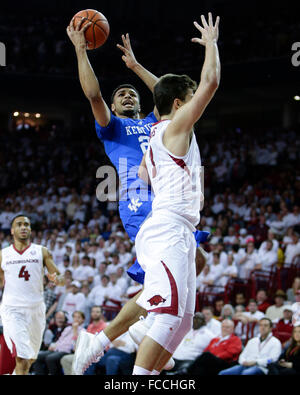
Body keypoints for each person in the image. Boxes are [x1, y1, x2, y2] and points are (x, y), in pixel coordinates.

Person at [70, 13, 215, 375]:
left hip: (165, 195)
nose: (126, 95)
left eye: (131, 92)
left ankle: (148, 326)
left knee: (198, 262)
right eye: (120, 95)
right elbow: (92, 93)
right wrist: (81, 51)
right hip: (140, 200)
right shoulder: (114, 127)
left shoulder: (156, 122)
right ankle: (116, 335)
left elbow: (168, 96)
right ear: (115, 108)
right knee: (166, 282)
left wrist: (136, 67)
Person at [0, 215, 64, 375]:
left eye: (27, 225)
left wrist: (56, 278)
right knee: (22, 357)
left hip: (36, 309)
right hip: (12, 310)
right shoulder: (3, 254)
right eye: (19, 224)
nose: (24, 227)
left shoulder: (41, 251)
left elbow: (61, 279)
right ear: (12, 230)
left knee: (31, 358)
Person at [31, 311, 85, 375]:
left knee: (50, 358)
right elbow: (60, 340)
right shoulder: (68, 328)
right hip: (57, 349)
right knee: (37, 356)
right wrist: (54, 345)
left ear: (83, 320)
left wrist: (75, 331)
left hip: (67, 351)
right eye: (75, 317)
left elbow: (75, 346)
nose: (76, 319)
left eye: (79, 317)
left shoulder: (83, 331)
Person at [60, 306, 107, 375]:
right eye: (93, 312)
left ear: (101, 314)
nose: (95, 313)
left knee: (83, 360)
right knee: (66, 359)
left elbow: (103, 344)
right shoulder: (90, 326)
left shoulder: (104, 326)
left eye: (97, 312)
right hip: (86, 351)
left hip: (98, 353)